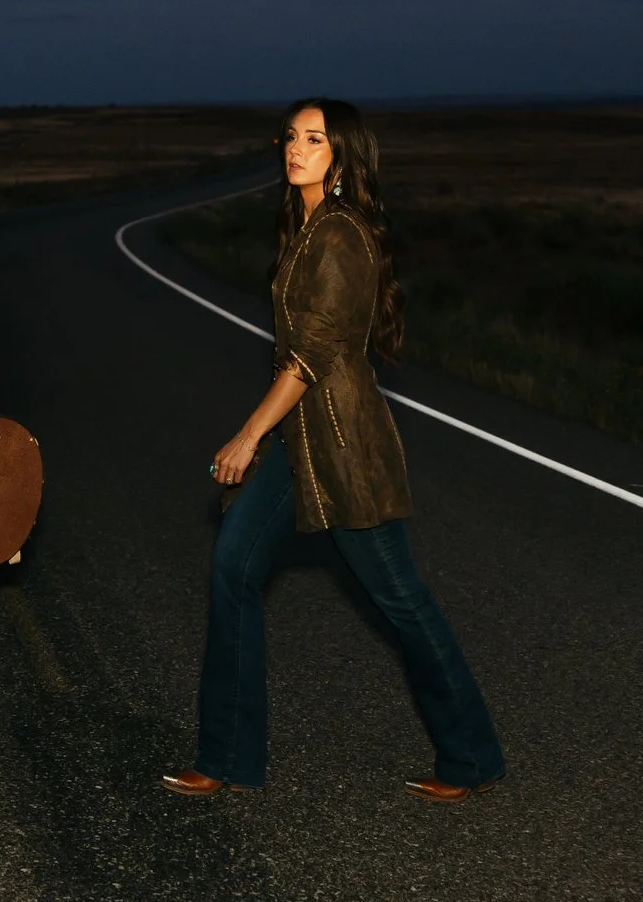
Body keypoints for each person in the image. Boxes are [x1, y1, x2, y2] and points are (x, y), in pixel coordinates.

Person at [163, 98, 506, 802]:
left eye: (314, 139)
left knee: (402, 602)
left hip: (345, 447)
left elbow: (312, 354)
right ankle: (227, 756)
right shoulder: (307, 226)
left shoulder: (342, 234)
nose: (296, 148)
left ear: (342, 155)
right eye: (291, 137)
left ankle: (471, 757)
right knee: (232, 566)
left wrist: (249, 434)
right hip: (302, 443)